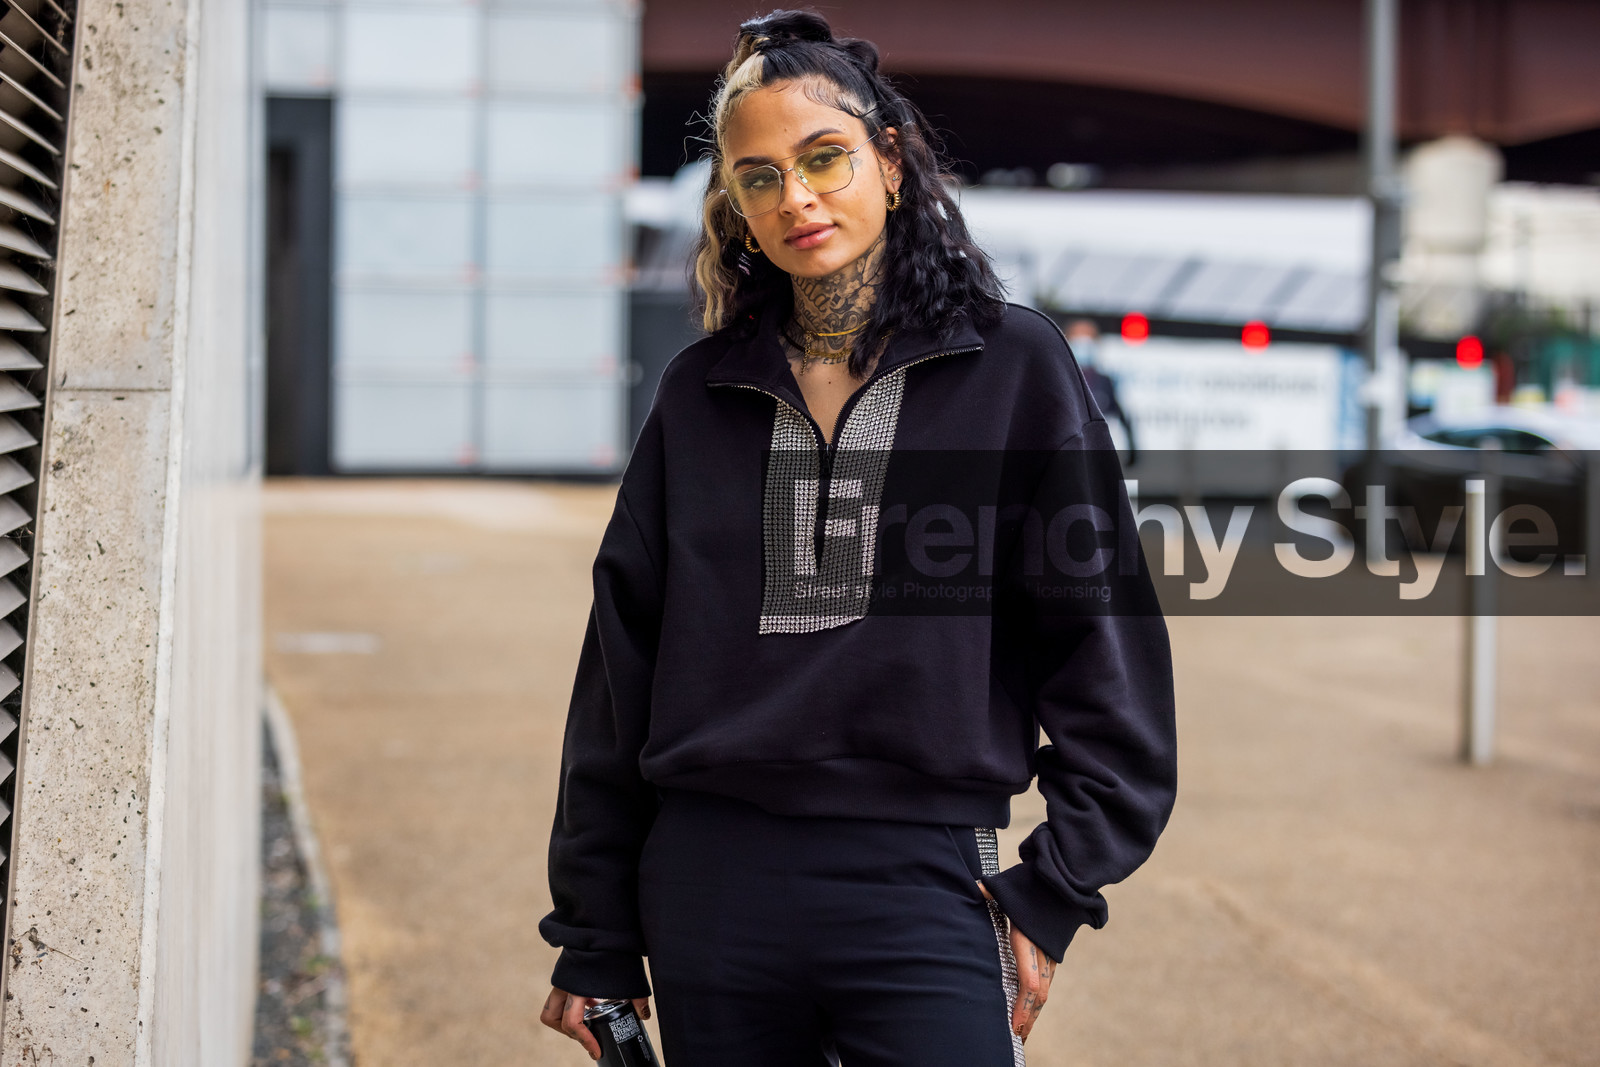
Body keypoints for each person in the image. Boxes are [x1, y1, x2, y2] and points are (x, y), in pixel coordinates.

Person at [538, 11, 1176, 1065]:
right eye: (757, 177)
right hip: (708, 889)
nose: (795, 197)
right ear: (734, 209)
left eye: (823, 158)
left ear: (888, 159)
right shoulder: (699, 394)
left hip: (924, 883)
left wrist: (1054, 887)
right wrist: (594, 934)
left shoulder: (1013, 368)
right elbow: (618, 677)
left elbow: (1103, 655)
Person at [1063, 318, 1137, 462]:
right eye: (1078, 340)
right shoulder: (1061, 378)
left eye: (1088, 341)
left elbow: (1120, 416)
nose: (1083, 346)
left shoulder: (1104, 381)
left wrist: (1132, 451)